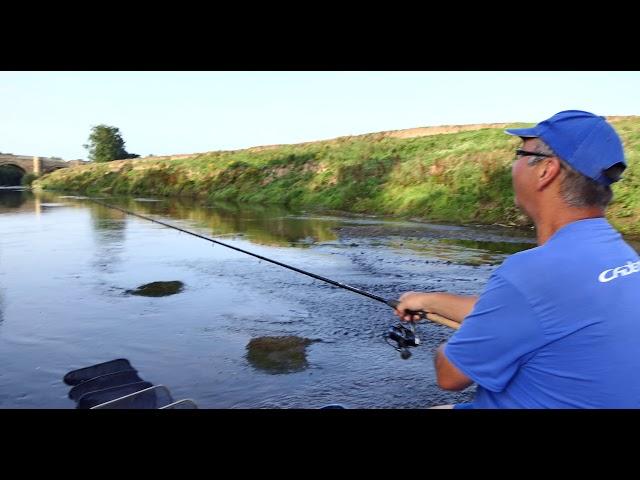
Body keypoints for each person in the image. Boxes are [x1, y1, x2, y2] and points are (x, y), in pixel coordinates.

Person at [394, 110, 640, 408]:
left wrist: (473, 341)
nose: (514, 164)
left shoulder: (534, 273)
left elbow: (449, 377)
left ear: (545, 170)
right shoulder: (622, 255)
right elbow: (527, 311)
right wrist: (427, 300)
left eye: (519, 152)